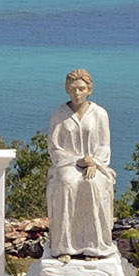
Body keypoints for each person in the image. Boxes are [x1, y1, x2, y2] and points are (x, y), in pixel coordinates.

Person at [46, 69, 115, 258]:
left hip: (95, 164)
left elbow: (104, 145)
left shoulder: (100, 114)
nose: (77, 93)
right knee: (66, 184)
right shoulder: (59, 114)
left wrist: (94, 162)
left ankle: (93, 245)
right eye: (74, 89)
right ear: (67, 89)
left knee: (93, 184)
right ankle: (64, 246)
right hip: (67, 164)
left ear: (89, 90)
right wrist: (76, 160)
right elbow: (54, 147)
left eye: (82, 89)